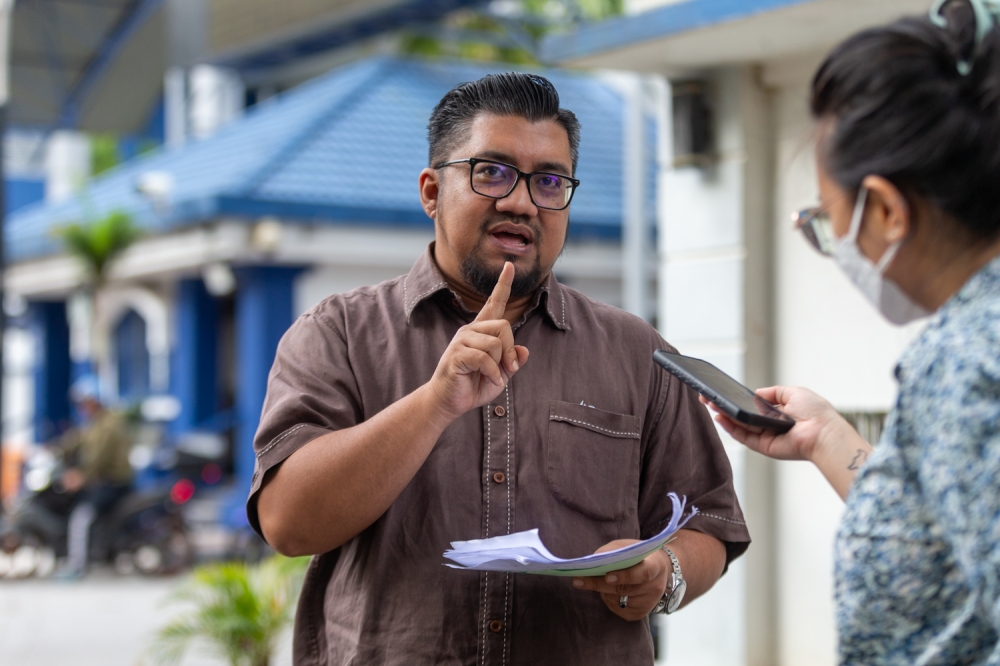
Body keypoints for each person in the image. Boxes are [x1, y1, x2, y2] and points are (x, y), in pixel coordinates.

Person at [248, 72, 750, 665]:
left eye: (549, 180)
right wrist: (434, 402)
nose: (521, 201)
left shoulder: (635, 351)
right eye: (492, 172)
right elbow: (288, 524)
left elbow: (710, 524)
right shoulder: (339, 334)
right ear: (432, 191)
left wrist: (663, 572)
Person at [709, 1, 1000, 663]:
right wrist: (828, 440)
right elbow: (945, 543)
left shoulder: (964, 360)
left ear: (890, 211)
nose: (833, 244)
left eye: (828, 220)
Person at [57, 375, 133, 576]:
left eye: (85, 402)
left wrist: (81, 476)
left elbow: (98, 458)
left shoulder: (109, 425)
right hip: (101, 480)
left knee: (81, 516)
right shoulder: (95, 423)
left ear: (95, 401)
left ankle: (76, 565)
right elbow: (75, 441)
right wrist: (53, 449)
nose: (82, 407)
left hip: (114, 482)